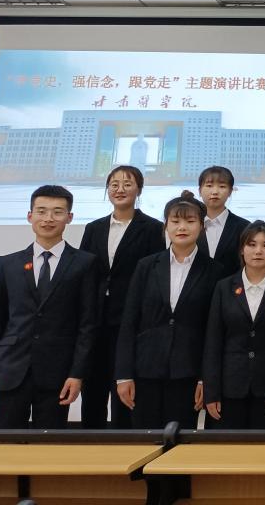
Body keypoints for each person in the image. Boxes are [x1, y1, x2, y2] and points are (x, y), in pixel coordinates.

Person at [0, 185, 98, 429]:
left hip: (58, 373)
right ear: (29, 216)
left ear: (69, 217)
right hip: (10, 370)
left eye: (57, 212)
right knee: (5, 444)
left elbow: (88, 325)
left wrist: (77, 374)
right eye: (41, 211)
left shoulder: (85, 264)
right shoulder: (8, 264)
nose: (48, 218)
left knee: (49, 444)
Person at [115, 191, 223, 429]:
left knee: (180, 441)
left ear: (202, 226)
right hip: (145, 369)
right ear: (165, 226)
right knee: (144, 439)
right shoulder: (146, 266)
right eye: (175, 221)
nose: (182, 227)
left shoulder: (215, 271)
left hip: (188, 371)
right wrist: (124, 374)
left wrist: (206, 379)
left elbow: (214, 331)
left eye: (190, 221)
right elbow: (129, 321)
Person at [79, 165, 165, 429]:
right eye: (114, 184)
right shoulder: (94, 228)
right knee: (92, 393)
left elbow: (154, 278)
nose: (120, 189)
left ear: (139, 189)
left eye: (127, 184)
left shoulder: (153, 228)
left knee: (124, 394)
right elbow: (85, 272)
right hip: (96, 321)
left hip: (130, 322)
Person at [203, 221, 265, 429]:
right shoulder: (224, 287)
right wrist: (212, 391)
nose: (258, 251)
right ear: (242, 249)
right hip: (229, 387)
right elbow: (213, 342)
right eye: (251, 245)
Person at [197, 166, 250, 279]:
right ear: (200, 190)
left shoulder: (244, 227)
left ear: (230, 191)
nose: (215, 192)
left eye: (222, 186)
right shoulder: (189, 225)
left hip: (231, 288)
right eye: (209, 185)